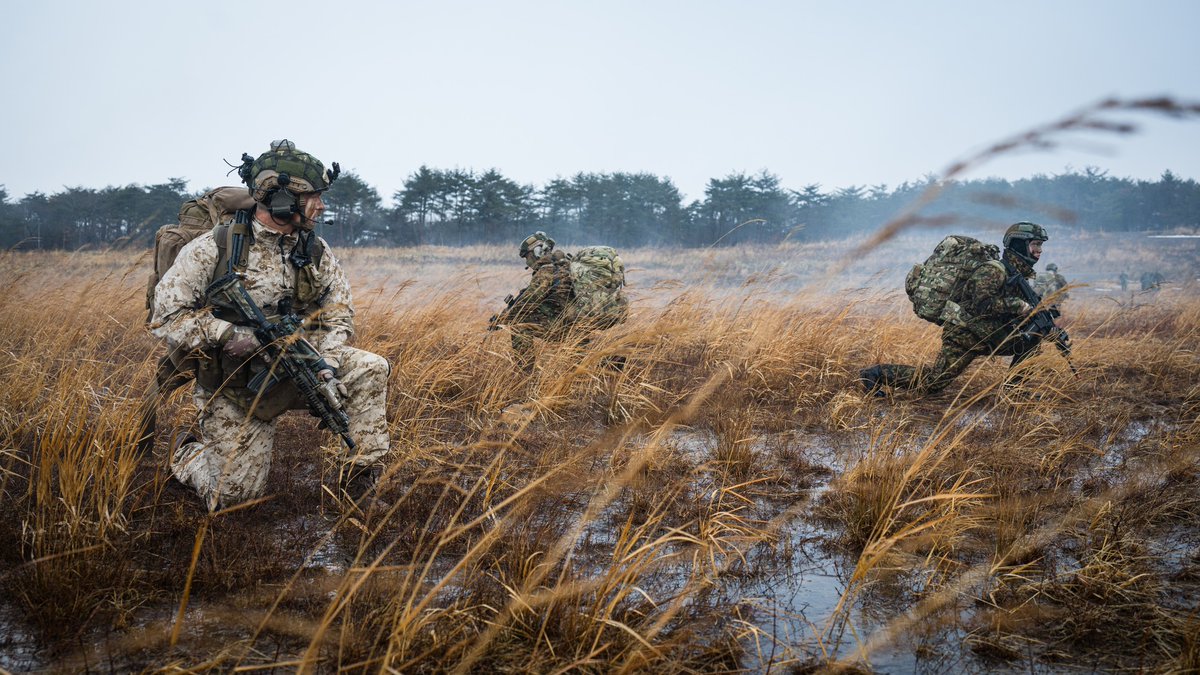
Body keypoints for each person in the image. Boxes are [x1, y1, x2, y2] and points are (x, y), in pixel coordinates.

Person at [150, 140, 390, 510]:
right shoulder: (215, 248)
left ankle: (358, 484)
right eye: (313, 196)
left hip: (300, 364)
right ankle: (188, 454)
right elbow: (165, 317)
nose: (321, 205)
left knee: (371, 367)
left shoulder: (313, 250)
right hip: (235, 383)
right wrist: (226, 334)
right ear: (282, 200)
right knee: (234, 501)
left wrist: (326, 364)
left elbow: (339, 312)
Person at [859, 222, 1056, 396]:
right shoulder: (993, 270)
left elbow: (1011, 315)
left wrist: (1043, 325)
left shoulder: (1017, 275)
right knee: (933, 383)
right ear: (1019, 244)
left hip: (988, 334)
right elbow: (981, 305)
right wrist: (1017, 305)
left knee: (1031, 339)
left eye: (1040, 245)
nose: (1039, 250)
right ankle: (875, 374)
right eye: (1035, 244)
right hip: (965, 334)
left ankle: (1015, 391)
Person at [489, 231, 576, 370]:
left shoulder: (547, 271)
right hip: (575, 322)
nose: (527, 262)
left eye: (527, 256)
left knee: (519, 327)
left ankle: (525, 374)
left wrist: (502, 321)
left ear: (537, 251)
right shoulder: (564, 264)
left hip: (566, 326)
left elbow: (527, 303)